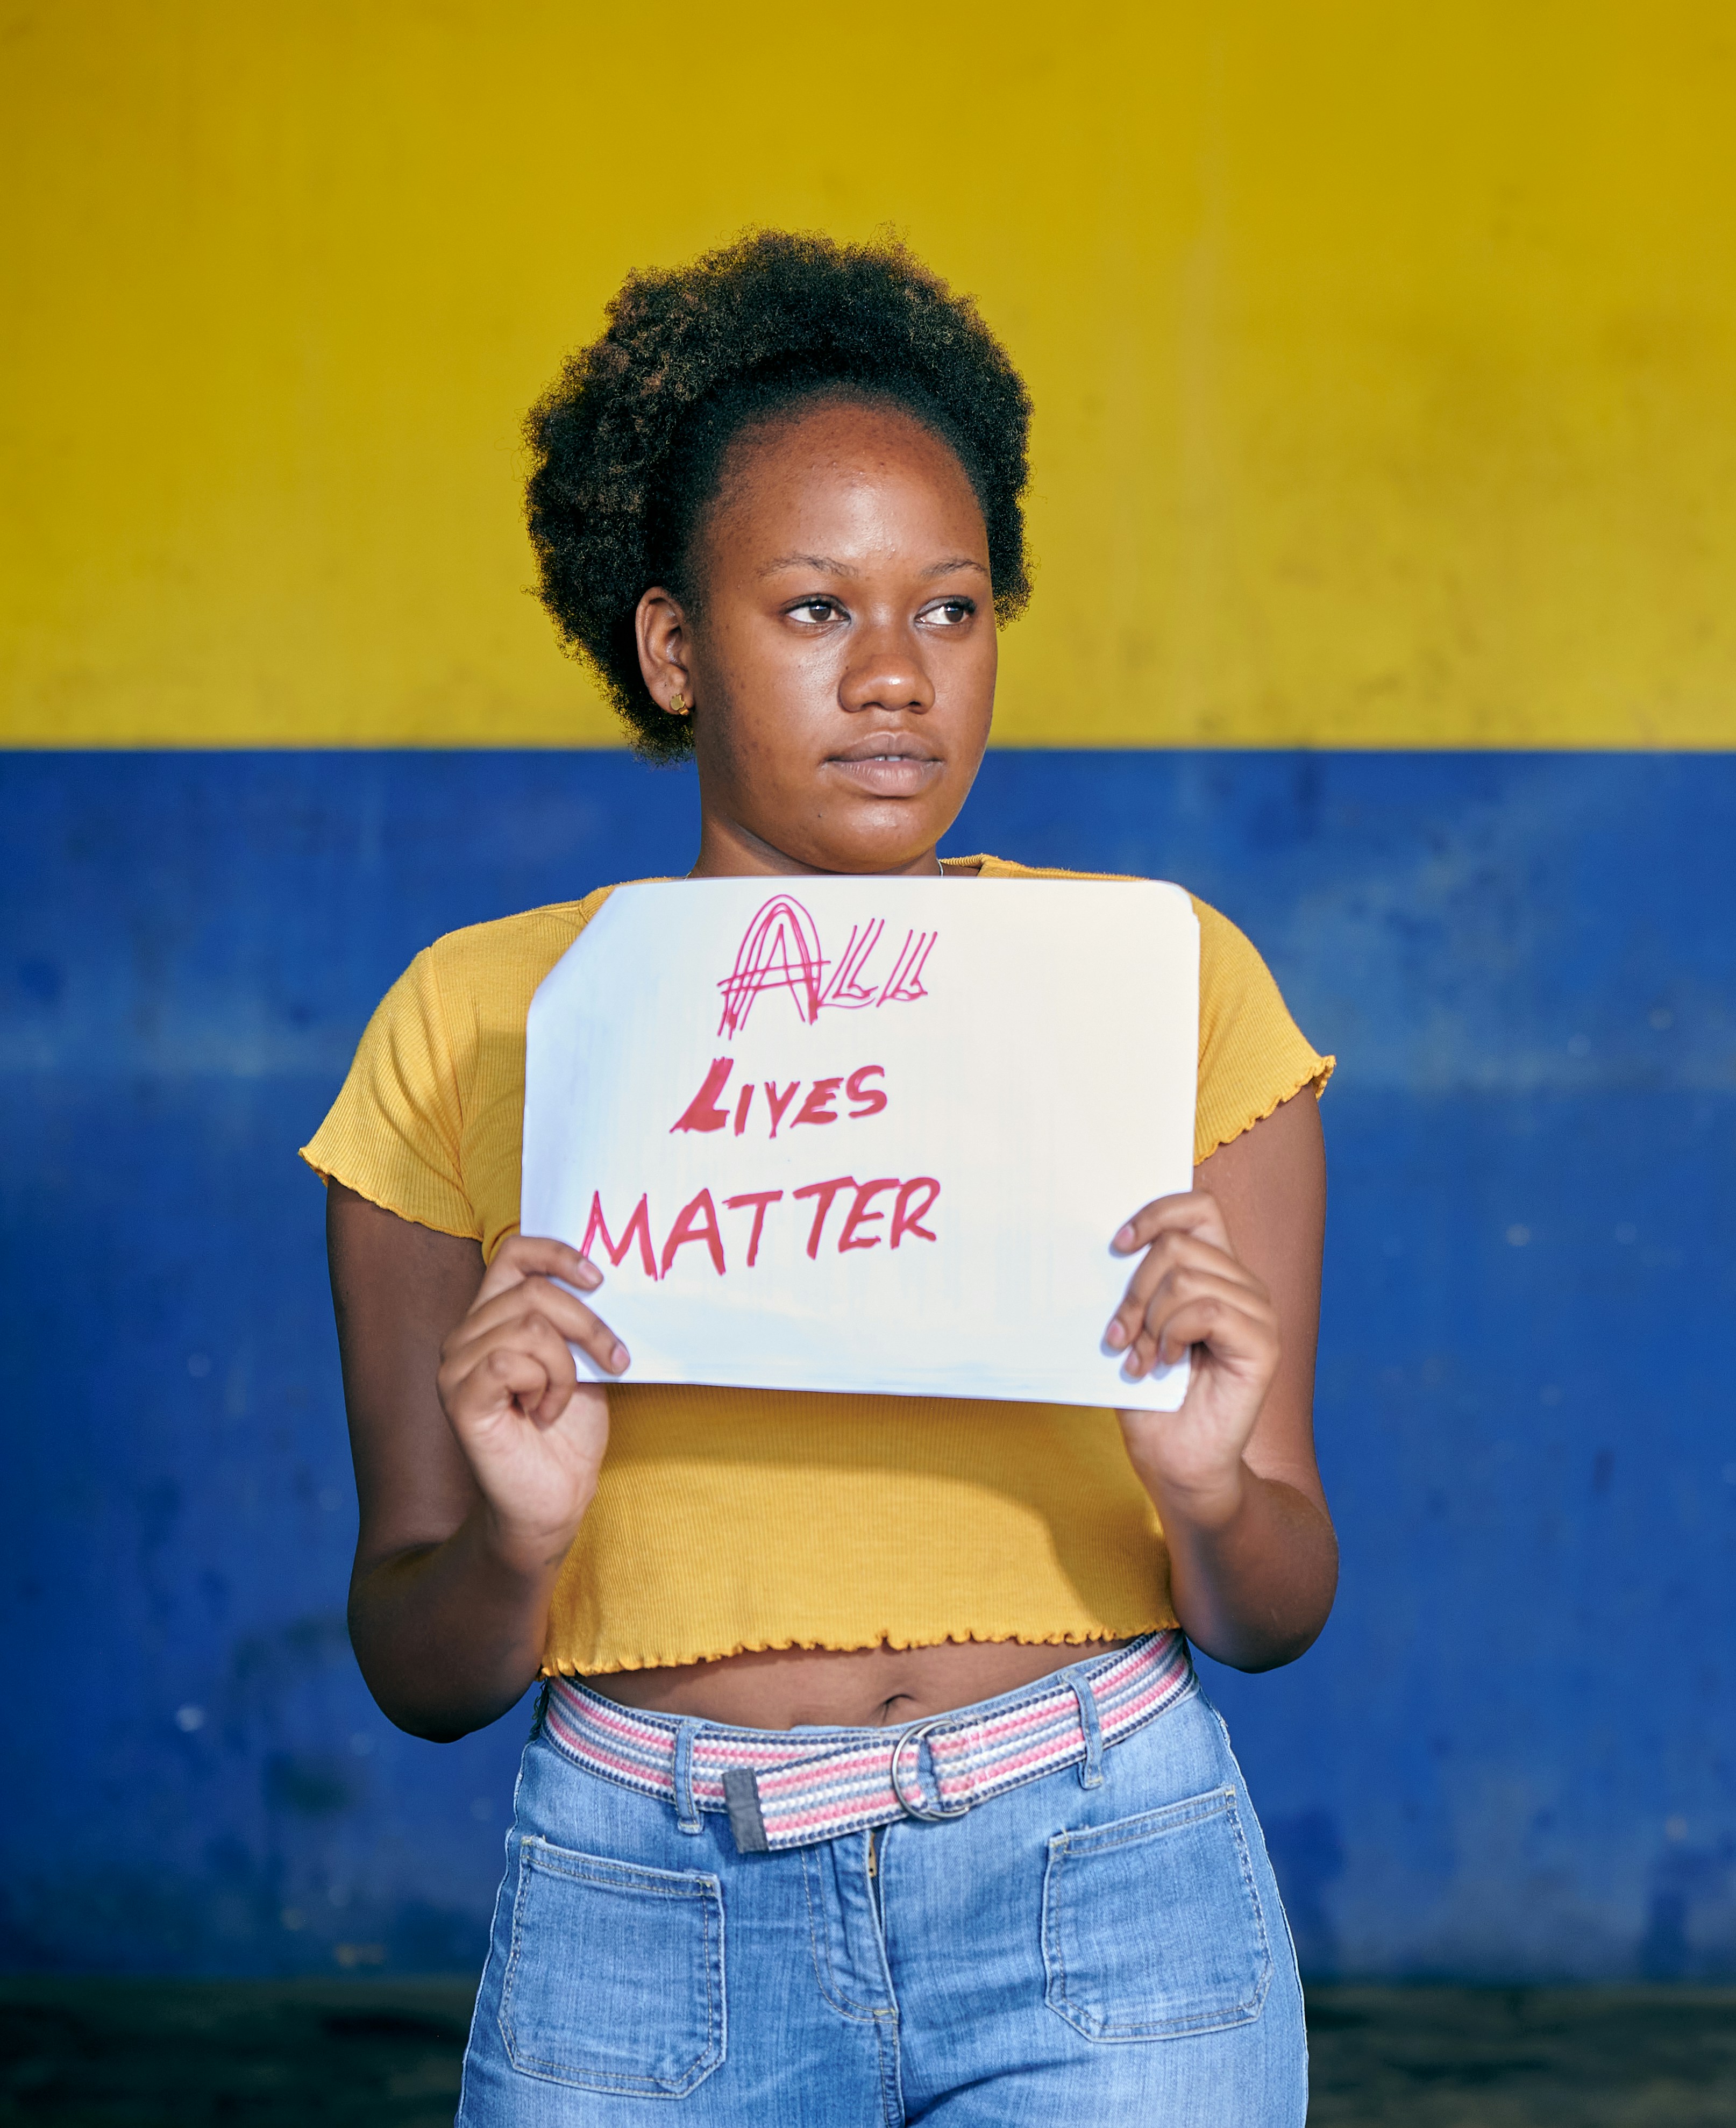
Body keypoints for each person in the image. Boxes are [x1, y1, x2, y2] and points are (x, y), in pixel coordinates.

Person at [306, 231, 1332, 2124]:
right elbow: (419, 1666)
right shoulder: (471, 1025)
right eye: (810, 612)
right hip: (644, 1910)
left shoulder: (1160, 985)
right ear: (672, 646)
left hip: (1111, 1887)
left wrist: (1205, 1489)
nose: (894, 680)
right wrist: (519, 1542)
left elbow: (1275, 1604)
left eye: (950, 610)